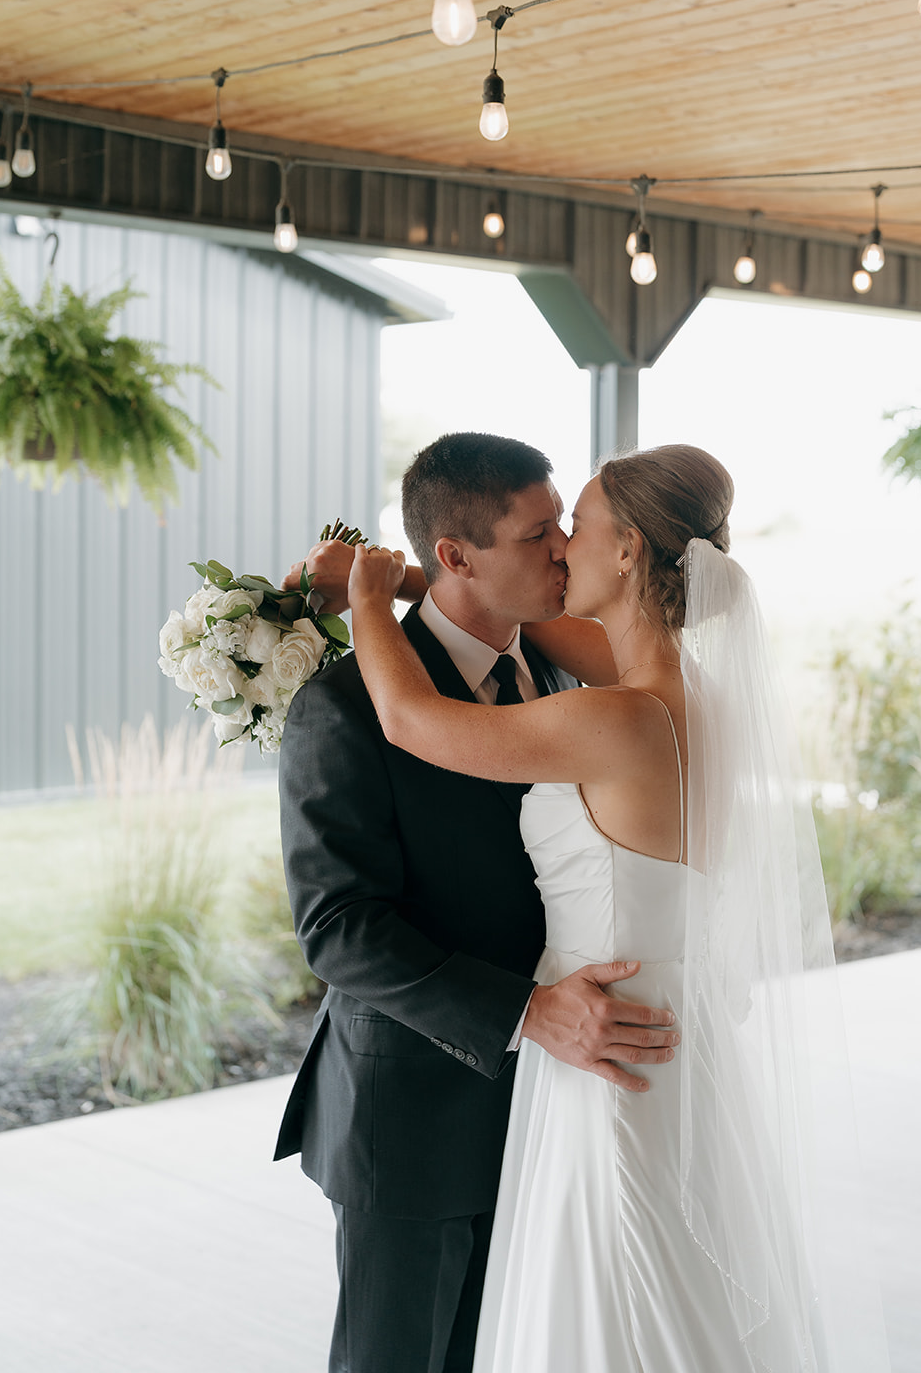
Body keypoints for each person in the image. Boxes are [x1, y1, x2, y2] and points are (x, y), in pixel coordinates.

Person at [344, 444, 890, 1373]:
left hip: (607, 1048)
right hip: (672, 1039)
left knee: (615, 1300)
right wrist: (425, 584)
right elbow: (549, 630)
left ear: (630, 549)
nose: (559, 549)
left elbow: (408, 720)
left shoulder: (619, 718)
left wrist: (360, 597)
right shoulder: (691, 693)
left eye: (577, 527)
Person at [274, 432, 678, 1373]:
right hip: (415, 1116)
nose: (564, 550)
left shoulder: (576, 677)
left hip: (563, 1113)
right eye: (539, 535)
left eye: (565, 530)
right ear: (454, 557)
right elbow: (338, 929)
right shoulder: (343, 705)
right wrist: (528, 1012)